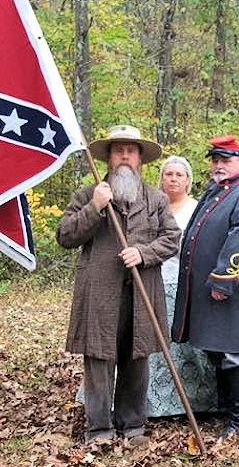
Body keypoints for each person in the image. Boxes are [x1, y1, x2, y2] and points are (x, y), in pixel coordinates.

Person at [57, 125, 180, 445]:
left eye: (131, 150)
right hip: (100, 293)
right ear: (109, 158)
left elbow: (171, 239)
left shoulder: (156, 198)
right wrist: (95, 207)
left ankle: (133, 425)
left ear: (140, 158)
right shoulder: (88, 194)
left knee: (136, 358)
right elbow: (66, 236)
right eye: (118, 150)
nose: (125, 156)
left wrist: (143, 252)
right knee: (98, 358)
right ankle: (99, 429)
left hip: (142, 291)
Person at [171, 135, 239, 439]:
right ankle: (227, 411)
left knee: (237, 353)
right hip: (216, 290)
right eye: (215, 160)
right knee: (219, 350)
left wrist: (225, 279)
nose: (219, 165)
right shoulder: (218, 191)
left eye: (226, 160)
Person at [146, 156, 218, 417]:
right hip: (152, 282)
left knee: (186, 346)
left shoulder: (197, 209)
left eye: (179, 175)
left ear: (188, 180)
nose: (173, 179)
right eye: (169, 174)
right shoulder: (151, 207)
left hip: (185, 285)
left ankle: (196, 401)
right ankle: (154, 402)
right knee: (153, 343)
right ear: (161, 178)